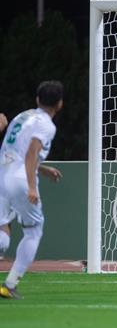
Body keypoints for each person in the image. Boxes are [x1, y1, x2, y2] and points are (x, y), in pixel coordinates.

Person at [0, 81, 65, 300]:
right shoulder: (47, 125)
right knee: (34, 230)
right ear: (60, 104)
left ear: (38, 99)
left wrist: (43, 169)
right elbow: (30, 153)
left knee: (2, 235)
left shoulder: (22, 116)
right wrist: (31, 185)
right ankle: (9, 285)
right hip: (19, 178)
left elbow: (15, 150)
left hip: (2, 174)